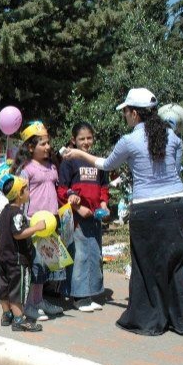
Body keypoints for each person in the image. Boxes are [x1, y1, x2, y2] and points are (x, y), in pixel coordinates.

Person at [64, 87, 183, 336]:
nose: (124, 115)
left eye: (125, 111)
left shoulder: (130, 140)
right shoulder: (173, 137)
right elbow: (176, 170)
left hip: (147, 208)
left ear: (134, 113)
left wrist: (79, 152)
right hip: (177, 204)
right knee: (177, 263)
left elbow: (106, 164)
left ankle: (149, 320)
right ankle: (181, 321)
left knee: (146, 263)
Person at [13, 121, 65, 322]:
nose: (47, 147)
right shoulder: (26, 169)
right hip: (34, 223)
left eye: (48, 143)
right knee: (34, 264)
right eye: (42, 144)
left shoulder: (52, 166)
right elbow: (20, 196)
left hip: (51, 223)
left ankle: (39, 300)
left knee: (45, 264)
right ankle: (29, 305)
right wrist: (24, 223)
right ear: (30, 147)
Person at [57, 122, 109, 312]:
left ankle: (90, 293)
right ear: (73, 140)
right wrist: (78, 209)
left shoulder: (98, 161)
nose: (86, 142)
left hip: (95, 216)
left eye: (89, 138)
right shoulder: (69, 161)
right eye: (81, 139)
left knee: (95, 254)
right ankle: (78, 296)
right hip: (77, 217)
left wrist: (103, 204)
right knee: (79, 255)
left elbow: (104, 187)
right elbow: (62, 190)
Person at [0, 175, 46, 332]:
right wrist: (37, 227)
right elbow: (19, 233)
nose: (28, 192)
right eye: (26, 189)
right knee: (18, 289)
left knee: (3, 287)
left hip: (3, 257)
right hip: (17, 259)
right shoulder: (17, 213)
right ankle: (19, 319)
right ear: (19, 194)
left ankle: (6, 314)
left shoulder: (5, 211)